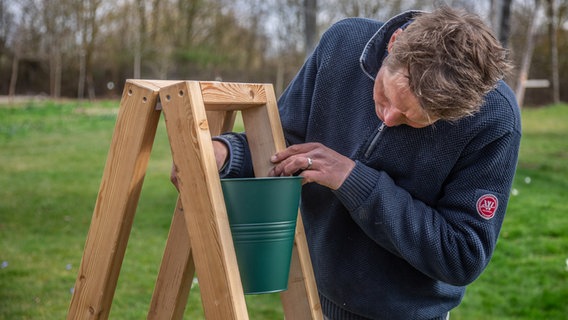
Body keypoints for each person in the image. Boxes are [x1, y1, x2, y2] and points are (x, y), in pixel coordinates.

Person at [173, 6, 521, 320]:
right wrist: (226, 154)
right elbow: (284, 145)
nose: (387, 118)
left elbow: (461, 253)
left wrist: (352, 179)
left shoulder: (494, 119)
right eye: (385, 95)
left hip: (404, 313)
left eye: (414, 120)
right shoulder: (343, 44)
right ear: (394, 43)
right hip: (311, 295)